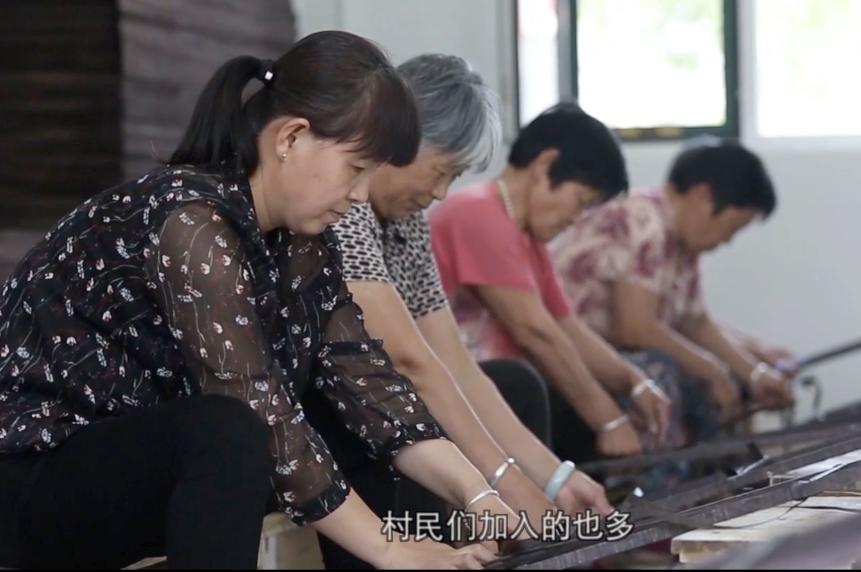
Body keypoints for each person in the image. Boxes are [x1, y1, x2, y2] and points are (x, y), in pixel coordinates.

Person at [0, 31, 514, 570]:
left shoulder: (302, 243)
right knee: (230, 430)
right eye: (355, 168)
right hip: (32, 478)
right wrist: (391, 549)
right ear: (291, 137)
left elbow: (370, 384)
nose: (361, 194)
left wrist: (480, 494)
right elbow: (256, 408)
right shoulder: (190, 223)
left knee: (340, 412)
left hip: (129, 476)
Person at [325, 54, 614, 568]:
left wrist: (553, 479)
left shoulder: (405, 221)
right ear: (400, 136)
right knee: (407, 411)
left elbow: (454, 362)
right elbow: (410, 363)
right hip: (325, 405)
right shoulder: (343, 206)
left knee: (513, 383)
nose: (441, 193)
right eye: (441, 171)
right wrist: (507, 485)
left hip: (374, 394)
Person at [428, 103, 675, 468]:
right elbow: (535, 333)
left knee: (586, 388)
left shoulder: (525, 235)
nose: (575, 219)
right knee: (529, 384)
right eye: (580, 202)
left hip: (481, 381)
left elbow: (567, 327)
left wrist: (634, 382)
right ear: (545, 166)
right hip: (448, 383)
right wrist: (608, 420)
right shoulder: (477, 213)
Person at [551, 138, 796, 427]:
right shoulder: (643, 219)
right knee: (669, 373)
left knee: (727, 379)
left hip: (605, 353)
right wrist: (712, 371)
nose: (727, 240)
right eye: (731, 227)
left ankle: (740, 455)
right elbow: (636, 330)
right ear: (702, 196)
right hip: (569, 353)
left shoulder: (681, 245)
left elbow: (695, 322)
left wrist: (754, 370)